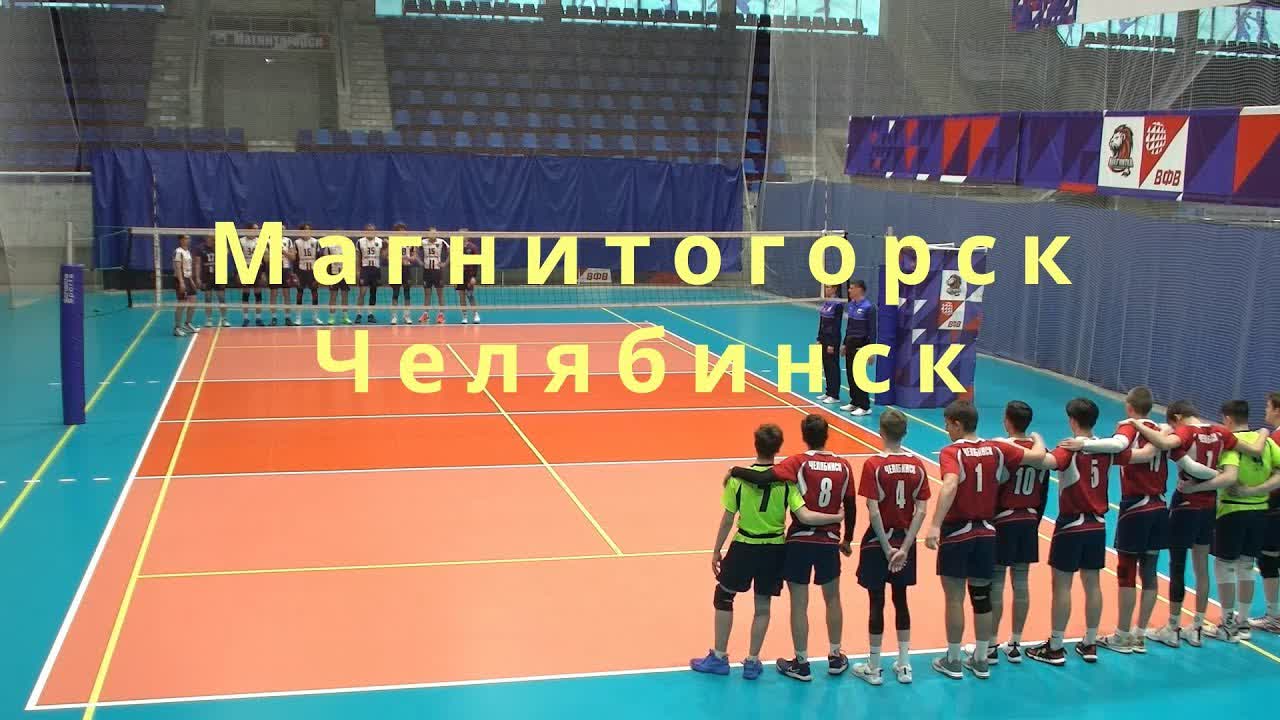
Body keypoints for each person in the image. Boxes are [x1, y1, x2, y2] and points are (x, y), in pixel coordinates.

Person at [691, 424, 846, 679]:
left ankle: (719, 657)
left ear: (756, 445)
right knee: (762, 605)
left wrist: (717, 549)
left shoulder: (738, 480)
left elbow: (728, 519)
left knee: (724, 597)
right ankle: (752, 662)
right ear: (778, 448)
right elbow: (805, 515)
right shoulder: (786, 482)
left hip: (744, 546)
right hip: (774, 549)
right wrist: (836, 517)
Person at [1024, 399, 1156, 666]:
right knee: (1093, 583)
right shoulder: (1106, 449)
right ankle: (1090, 642)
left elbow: (1043, 461)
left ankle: (1055, 646)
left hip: (1070, 525)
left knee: (1062, 586)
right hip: (1097, 525)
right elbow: (1142, 455)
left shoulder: (1068, 449)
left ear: (1072, 421)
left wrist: (1035, 439)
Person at [727, 414, 857, 681]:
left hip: (800, 540)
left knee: (799, 603)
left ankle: (801, 662)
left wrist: (735, 470)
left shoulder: (798, 462)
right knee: (832, 598)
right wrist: (847, 538)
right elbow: (851, 504)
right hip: (829, 540)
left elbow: (763, 477)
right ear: (827, 435)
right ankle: (835, 657)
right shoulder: (843, 465)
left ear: (803, 436)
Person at [925, 400, 1046, 680]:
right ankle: (981, 659)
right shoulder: (997, 448)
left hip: (958, 532)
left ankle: (953, 660)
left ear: (958, 424)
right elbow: (1038, 457)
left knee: (955, 598)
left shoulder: (951, 452)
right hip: (987, 533)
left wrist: (934, 524)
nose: (946, 429)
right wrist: (1038, 437)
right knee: (982, 598)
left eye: (947, 424)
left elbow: (950, 484)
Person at [1129, 401, 1266, 647]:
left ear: (1177, 417)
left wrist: (1136, 423)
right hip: (1209, 506)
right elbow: (1255, 450)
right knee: (1202, 568)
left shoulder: (1186, 432)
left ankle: (1172, 627)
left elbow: (1163, 443)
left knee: (1177, 565)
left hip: (1185, 504)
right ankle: (1198, 628)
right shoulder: (1220, 432)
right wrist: (1264, 431)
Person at [1067, 386, 1172, 654]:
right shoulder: (1161, 431)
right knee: (1149, 572)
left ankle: (1123, 635)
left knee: (1126, 573)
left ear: (1129, 406)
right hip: (1160, 504)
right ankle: (1140, 634)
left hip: (1136, 507)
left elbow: (1118, 446)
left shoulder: (1129, 426)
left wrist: (1084, 444)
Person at [1179, 400, 1280, 642]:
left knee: (1225, 566)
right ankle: (1243, 624)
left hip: (1232, 511)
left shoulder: (1230, 443)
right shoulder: (1267, 442)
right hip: (1260, 511)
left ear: (1227, 419)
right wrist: (1257, 491)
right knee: (1246, 566)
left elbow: (1227, 478)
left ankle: (1227, 625)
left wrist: (1195, 488)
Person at [849, 409, 928, 686]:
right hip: (905, 540)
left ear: (881, 432)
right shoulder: (918, 465)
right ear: (905, 433)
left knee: (877, 601)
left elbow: (873, 511)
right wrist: (904, 548)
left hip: (878, 542)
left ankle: (874, 667)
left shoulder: (874, 465)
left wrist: (887, 549)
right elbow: (921, 511)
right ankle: (904, 664)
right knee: (901, 599)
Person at [983, 401, 1049, 665]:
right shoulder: (1041, 453)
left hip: (1004, 520)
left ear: (1007, 420)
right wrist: (1035, 521)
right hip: (1029, 520)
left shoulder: (1002, 450)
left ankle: (990, 645)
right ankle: (1015, 644)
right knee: (1021, 583)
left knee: (997, 583)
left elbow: (993, 487)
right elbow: (1044, 492)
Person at [1248, 393, 1280, 633]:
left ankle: (1273, 617)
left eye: (1269, 407)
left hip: (1274, 506)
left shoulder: (1276, 439)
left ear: (1278, 410)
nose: (1266, 411)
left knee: (1268, 558)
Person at [840, 279, 876, 416]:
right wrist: (844, 343)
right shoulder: (851, 306)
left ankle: (865, 406)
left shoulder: (869, 307)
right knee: (850, 374)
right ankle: (854, 401)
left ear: (859, 289)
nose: (849, 290)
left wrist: (871, 351)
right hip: (850, 344)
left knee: (859, 376)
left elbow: (872, 330)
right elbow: (849, 327)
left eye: (851, 288)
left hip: (861, 347)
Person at [815, 284, 844, 405]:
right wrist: (819, 338)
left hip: (832, 339)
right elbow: (822, 322)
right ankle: (828, 392)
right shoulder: (826, 302)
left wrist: (832, 343)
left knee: (832, 367)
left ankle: (834, 394)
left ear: (835, 289)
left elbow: (836, 326)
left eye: (828, 287)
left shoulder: (838, 304)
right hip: (824, 338)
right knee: (826, 365)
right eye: (825, 287)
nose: (826, 289)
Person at [194, 234, 228, 327]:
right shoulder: (200, 248)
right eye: (209, 238)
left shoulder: (218, 247)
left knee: (221, 298)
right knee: (208, 298)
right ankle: (209, 319)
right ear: (206, 238)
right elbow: (197, 263)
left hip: (219, 275)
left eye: (213, 238)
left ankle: (224, 319)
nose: (211, 240)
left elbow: (226, 253)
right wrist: (197, 277)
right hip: (206, 276)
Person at [418, 227, 449, 325]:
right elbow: (414, 251)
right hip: (427, 271)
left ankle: (441, 315)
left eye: (435, 233)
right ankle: (425, 314)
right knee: (427, 294)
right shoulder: (423, 242)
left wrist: (445, 263)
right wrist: (420, 262)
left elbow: (452, 252)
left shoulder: (441, 242)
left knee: (440, 294)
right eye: (431, 233)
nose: (433, 235)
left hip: (437, 271)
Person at [293, 224, 322, 325]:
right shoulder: (297, 242)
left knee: (315, 293)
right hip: (301, 271)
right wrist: (295, 273)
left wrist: (319, 274)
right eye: (305, 230)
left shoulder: (315, 242)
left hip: (313, 271)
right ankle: (298, 318)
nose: (307, 232)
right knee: (299, 293)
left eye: (309, 230)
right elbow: (295, 259)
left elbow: (319, 258)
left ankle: (315, 317)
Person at [389, 222, 416, 325]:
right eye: (399, 231)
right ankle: (394, 317)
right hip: (396, 269)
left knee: (407, 293)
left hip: (406, 268)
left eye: (403, 231)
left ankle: (407, 316)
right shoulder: (392, 242)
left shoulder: (410, 242)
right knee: (395, 293)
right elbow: (387, 257)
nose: (402, 233)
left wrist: (408, 258)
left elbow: (414, 257)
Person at [172, 234, 199, 337]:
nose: (188, 240)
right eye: (186, 238)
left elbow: (188, 268)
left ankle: (187, 323)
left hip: (188, 278)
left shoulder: (187, 252)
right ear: (181, 240)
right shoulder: (178, 252)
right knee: (182, 303)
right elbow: (178, 267)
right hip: (181, 279)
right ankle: (177, 328)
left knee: (193, 302)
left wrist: (191, 280)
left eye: (189, 238)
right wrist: (181, 282)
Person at [239, 223, 265, 326]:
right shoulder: (241, 241)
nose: (257, 231)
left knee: (258, 293)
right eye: (255, 229)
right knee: (246, 293)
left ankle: (258, 318)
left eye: (258, 229)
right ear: (249, 230)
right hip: (245, 267)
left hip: (258, 267)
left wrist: (263, 272)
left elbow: (264, 258)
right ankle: (245, 318)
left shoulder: (260, 241)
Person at [324, 236, 352, 325]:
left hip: (345, 273)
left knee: (345, 296)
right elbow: (325, 260)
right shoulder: (329, 247)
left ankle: (345, 317)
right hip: (333, 273)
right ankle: (331, 317)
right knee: (333, 295)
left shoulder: (347, 246)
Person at [456, 232, 480, 324]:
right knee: (461, 296)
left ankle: (475, 314)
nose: (462, 236)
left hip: (469, 274)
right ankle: (464, 316)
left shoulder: (473, 247)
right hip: (459, 274)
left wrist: (473, 277)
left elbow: (476, 263)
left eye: (464, 235)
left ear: (467, 236)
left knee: (470, 295)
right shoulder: (456, 247)